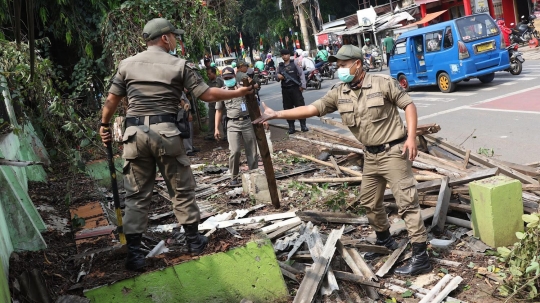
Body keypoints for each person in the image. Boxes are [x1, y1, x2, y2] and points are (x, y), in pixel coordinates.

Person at [253, 45, 431, 277]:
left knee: (407, 203)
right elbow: (311, 108)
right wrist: (277, 114)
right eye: (338, 66)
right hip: (370, 156)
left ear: (357, 64)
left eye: (343, 65)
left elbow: (408, 105)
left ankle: (421, 257)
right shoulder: (340, 92)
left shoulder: (382, 83)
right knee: (369, 201)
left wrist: (411, 138)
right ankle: (385, 241)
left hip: (394, 151)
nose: (340, 70)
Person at [99, 18, 253, 272]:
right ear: (164, 38)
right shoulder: (179, 64)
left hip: (134, 134)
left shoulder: (125, 65)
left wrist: (104, 126)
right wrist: (238, 93)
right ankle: (193, 241)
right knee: (181, 189)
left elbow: (112, 100)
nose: (175, 40)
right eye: (173, 36)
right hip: (166, 134)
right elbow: (207, 94)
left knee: (136, 195)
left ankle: (135, 255)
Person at [215, 67, 267, 186]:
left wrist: (262, 118)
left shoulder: (243, 88)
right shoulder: (222, 92)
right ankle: (234, 177)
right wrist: (216, 128)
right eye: (226, 78)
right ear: (223, 79)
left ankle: (254, 174)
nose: (228, 80)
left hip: (247, 122)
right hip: (232, 124)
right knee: (235, 151)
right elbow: (218, 111)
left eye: (230, 77)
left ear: (234, 77)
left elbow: (254, 103)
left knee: (252, 150)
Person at [277, 49, 308, 134]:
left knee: (300, 106)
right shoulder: (280, 66)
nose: (284, 56)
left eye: (286, 54)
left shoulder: (295, 63)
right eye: (282, 55)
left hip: (295, 88)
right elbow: (276, 76)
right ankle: (291, 127)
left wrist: (302, 85)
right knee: (288, 109)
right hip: (285, 90)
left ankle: (303, 125)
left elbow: (301, 74)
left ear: (289, 55)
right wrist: (278, 76)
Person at [204, 67, 226, 141]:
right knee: (211, 119)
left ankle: (226, 135)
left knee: (223, 119)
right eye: (207, 74)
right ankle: (211, 135)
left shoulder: (220, 81)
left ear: (214, 73)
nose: (208, 75)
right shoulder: (208, 82)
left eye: (209, 74)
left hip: (220, 104)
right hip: (212, 104)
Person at [180, 91, 199, 156]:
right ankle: (188, 150)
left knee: (190, 131)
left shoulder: (182, 92)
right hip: (184, 113)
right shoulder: (179, 91)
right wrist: (188, 113)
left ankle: (191, 147)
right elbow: (182, 103)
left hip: (186, 112)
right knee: (186, 130)